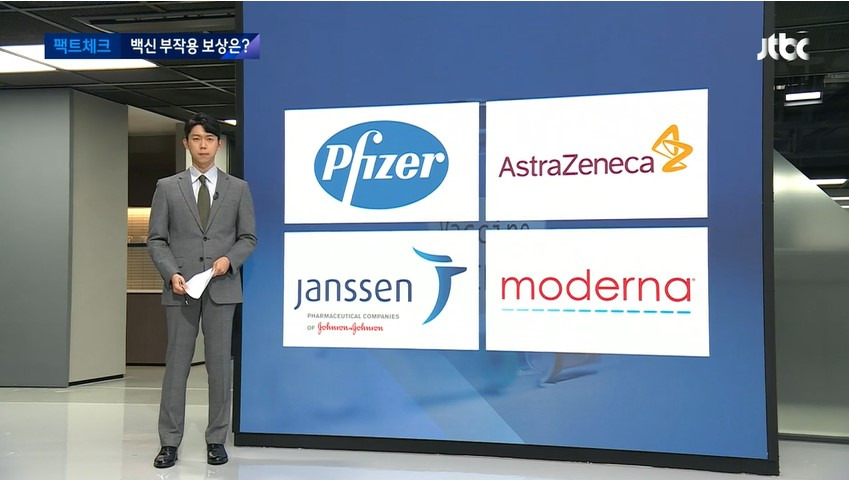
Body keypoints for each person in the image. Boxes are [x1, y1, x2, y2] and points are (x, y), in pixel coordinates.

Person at [147, 113, 257, 468]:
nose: (203, 145)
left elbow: (248, 238)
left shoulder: (238, 188)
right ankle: (169, 443)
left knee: (219, 368)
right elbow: (156, 239)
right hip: (180, 289)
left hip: (222, 288)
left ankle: (216, 440)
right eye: (196, 139)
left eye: (209, 139)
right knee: (176, 367)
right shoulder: (167, 187)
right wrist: (171, 273)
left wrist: (229, 260)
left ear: (219, 144)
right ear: (186, 143)